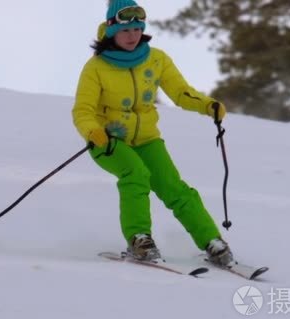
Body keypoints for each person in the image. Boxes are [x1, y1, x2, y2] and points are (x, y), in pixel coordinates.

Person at [71, 0, 234, 267]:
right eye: (125, 31)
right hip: (108, 141)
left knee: (174, 188)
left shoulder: (156, 59)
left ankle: (211, 241)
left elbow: (181, 92)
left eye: (137, 29)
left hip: (147, 139)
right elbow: (82, 110)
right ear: (111, 30)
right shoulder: (97, 67)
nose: (132, 36)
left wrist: (208, 105)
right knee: (135, 175)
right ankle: (139, 239)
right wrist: (94, 132)